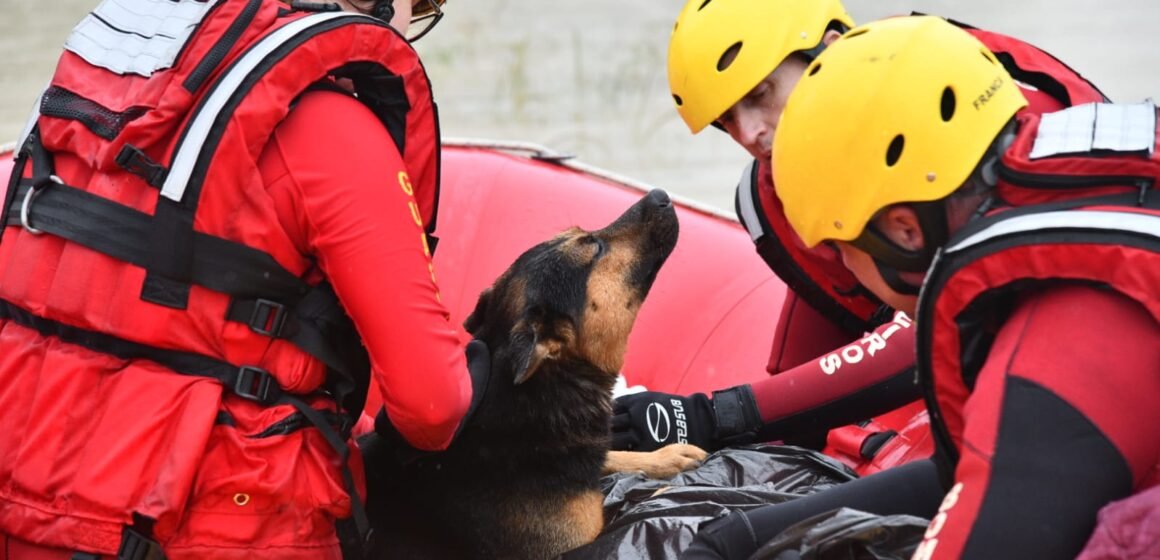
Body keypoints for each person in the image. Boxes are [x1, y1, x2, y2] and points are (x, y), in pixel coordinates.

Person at [0, 0, 486, 558]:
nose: (411, 23)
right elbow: (433, 407)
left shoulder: (91, 89)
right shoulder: (333, 128)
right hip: (215, 529)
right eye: (417, 4)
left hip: (26, 509)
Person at [682, 15, 1160, 559]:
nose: (839, 268)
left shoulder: (1055, 355)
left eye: (840, 248)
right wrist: (735, 537)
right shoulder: (1077, 178)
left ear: (905, 229)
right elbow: (961, 475)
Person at [611, 0, 1108, 474]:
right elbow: (797, 381)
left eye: (759, 95)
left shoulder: (960, 102)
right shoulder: (782, 184)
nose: (748, 135)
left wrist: (714, 415)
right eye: (726, 121)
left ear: (828, 46)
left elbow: (942, 320)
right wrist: (716, 431)